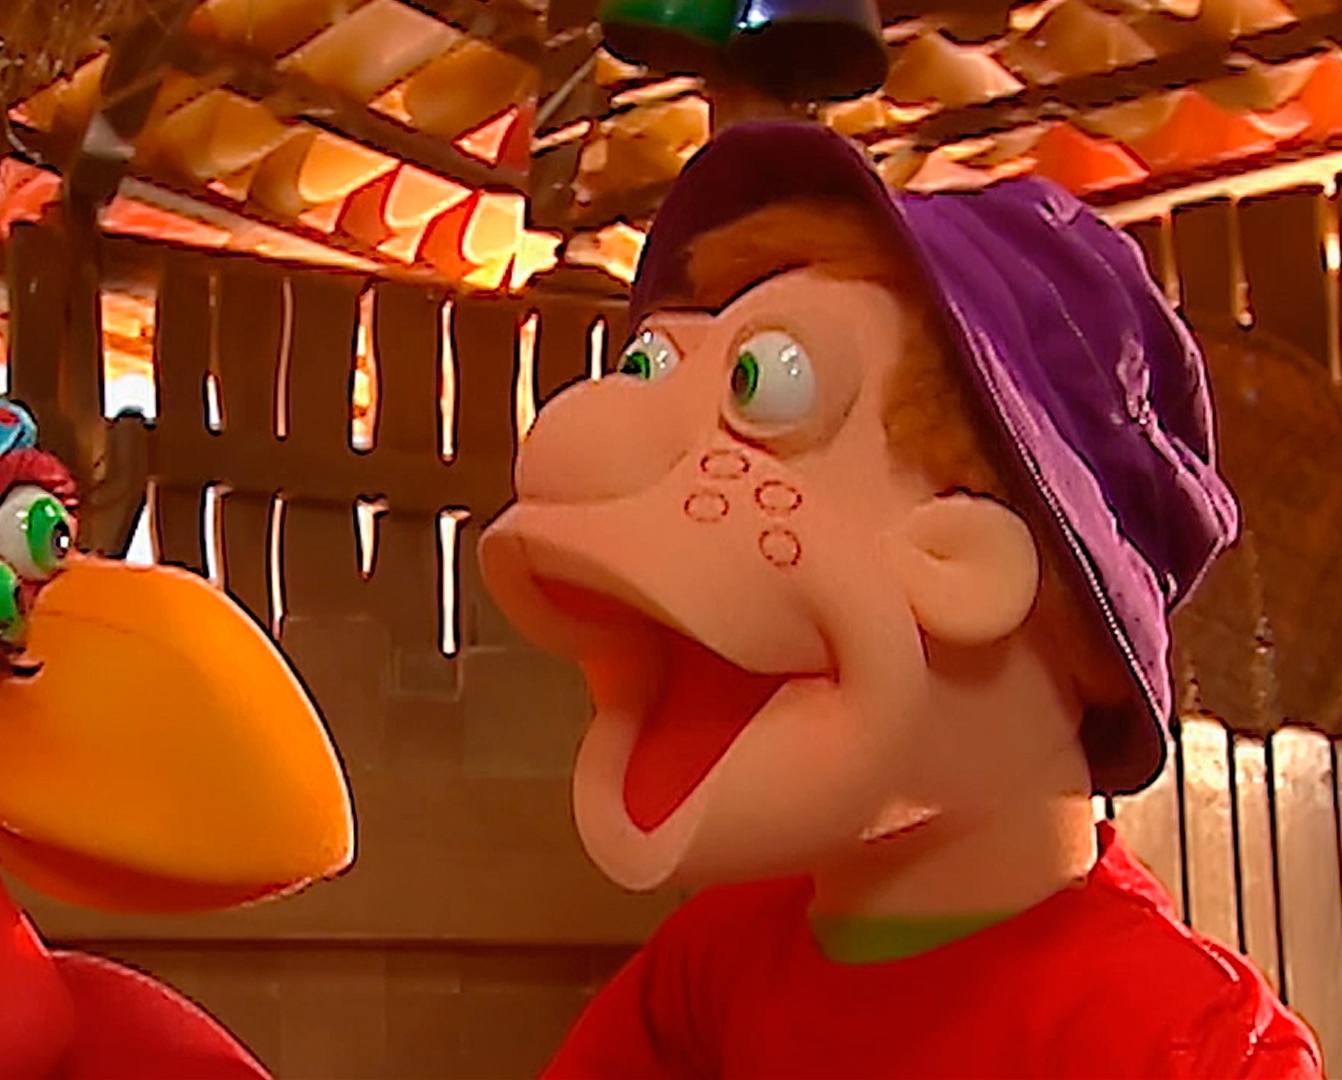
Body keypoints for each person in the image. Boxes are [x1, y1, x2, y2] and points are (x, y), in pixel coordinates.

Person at [476, 120, 1321, 1078]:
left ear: (968, 555)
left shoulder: (1188, 1049)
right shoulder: (711, 968)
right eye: (659, 362)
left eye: (769, 381)